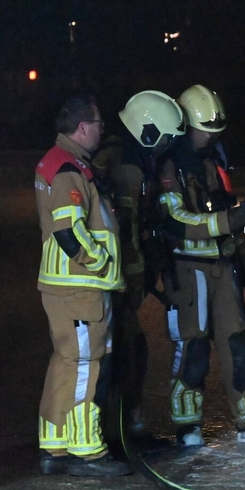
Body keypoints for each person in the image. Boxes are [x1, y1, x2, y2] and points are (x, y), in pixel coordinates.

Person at [157, 84, 245, 446]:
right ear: (186, 125)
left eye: (215, 132)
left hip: (222, 264)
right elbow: (176, 220)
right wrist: (229, 222)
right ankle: (187, 428)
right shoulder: (170, 165)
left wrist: (240, 247)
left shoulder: (215, 158)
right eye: (205, 131)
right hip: (188, 269)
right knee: (193, 348)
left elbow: (220, 205)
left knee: (238, 343)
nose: (210, 137)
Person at [34, 95, 131, 477]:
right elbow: (68, 231)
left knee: (66, 363)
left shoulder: (62, 161)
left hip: (67, 288)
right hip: (79, 289)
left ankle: (54, 447)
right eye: (98, 123)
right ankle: (85, 451)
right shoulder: (67, 169)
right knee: (86, 367)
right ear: (82, 127)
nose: (102, 129)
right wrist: (101, 261)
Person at [91, 91, 185, 447]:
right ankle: (112, 432)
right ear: (147, 132)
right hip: (113, 279)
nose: (165, 148)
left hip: (123, 277)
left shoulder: (135, 160)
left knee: (131, 351)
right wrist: (132, 278)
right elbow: (124, 232)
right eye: (163, 139)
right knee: (123, 352)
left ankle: (122, 426)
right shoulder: (124, 166)